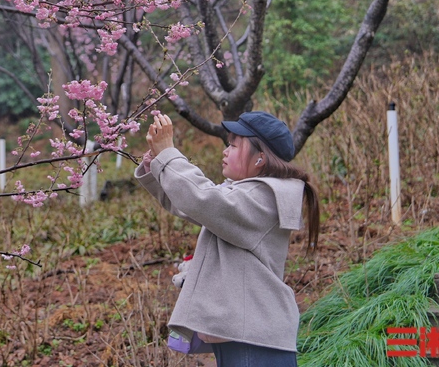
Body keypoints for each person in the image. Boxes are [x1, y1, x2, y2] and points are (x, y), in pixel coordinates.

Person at [135, 111, 320, 367]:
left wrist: (168, 155)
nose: (225, 151)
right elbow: (188, 203)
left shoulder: (265, 197)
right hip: (246, 335)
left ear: (260, 159)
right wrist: (157, 162)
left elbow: (202, 199)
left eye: (233, 145)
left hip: (254, 340)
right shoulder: (244, 194)